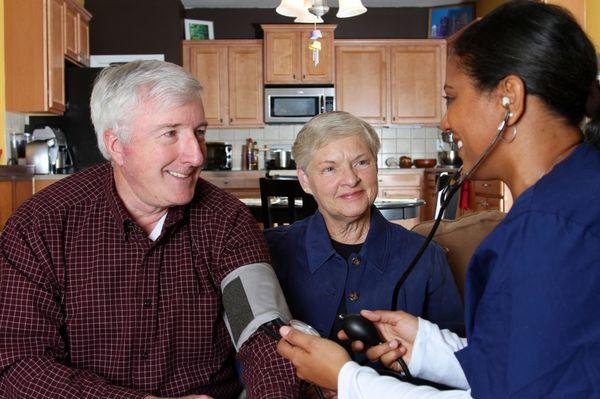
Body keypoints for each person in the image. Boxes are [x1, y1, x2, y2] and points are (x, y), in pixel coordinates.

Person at [276, 1, 600, 397]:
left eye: (451, 97)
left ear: (508, 99)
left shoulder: (548, 231)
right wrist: (427, 346)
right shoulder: (573, 197)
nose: (445, 121)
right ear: (305, 180)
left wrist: (348, 380)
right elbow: (521, 367)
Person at [0, 60, 300, 398]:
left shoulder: (226, 222)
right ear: (116, 146)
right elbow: (19, 366)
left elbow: (263, 337)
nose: (196, 156)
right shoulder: (40, 226)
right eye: (170, 133)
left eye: (198, 132)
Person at [265, 111, 463, 346]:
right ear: (305, 180)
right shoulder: (267, 252)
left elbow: (457, 357)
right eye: (330, 168)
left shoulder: (427, 258)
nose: (350, 179)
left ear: (376, 167)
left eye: (361, 162)